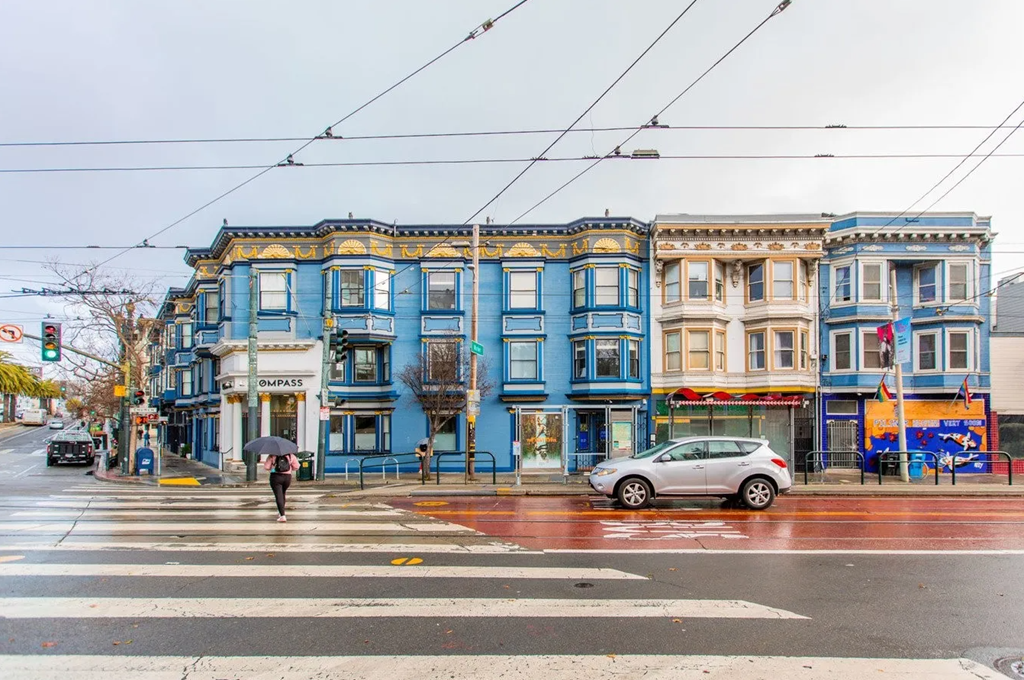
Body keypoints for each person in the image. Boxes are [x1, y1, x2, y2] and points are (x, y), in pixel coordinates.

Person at [263, 451, 300, 522]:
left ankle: (282, 515)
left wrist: (273, 466)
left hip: (276, 477)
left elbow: (266, 467)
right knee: (283, 493)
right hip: (287, 478)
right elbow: (296, 467)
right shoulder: (290, 455)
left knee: (278, 495)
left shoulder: (272, 455)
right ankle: (281, 512)